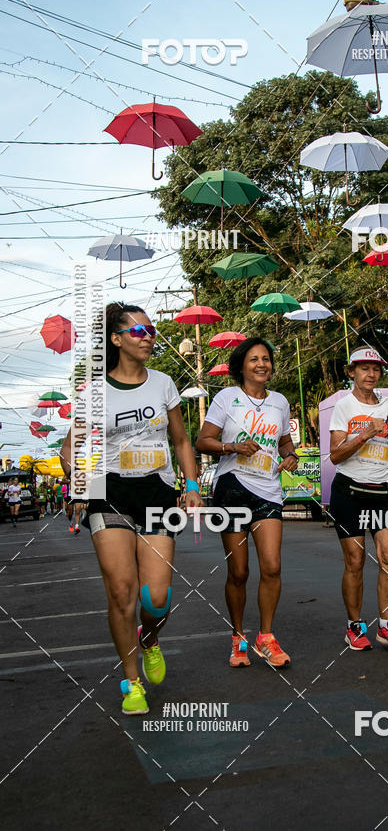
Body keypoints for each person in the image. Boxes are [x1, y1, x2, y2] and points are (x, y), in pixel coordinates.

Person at [60, 302, 201, 716]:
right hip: (109, 493)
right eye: (139, 331)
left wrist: (192, 485)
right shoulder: (94, 393)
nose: (148, 337)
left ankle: (150, 637)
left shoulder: (163, 383)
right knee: (121, 592)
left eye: (151, 330)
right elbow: (69, 450)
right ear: (117, 339)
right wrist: (79, 484)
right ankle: (131, 681)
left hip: (157, 493)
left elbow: (180, 440)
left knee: (157, 600)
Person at [196, 337, 298, 669]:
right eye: (254, 359)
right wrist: (232, 447)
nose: (261, 364)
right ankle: (238, 637)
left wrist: (291, 456)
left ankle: (265, 637)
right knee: (238, 571)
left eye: (266, 359)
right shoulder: (227, 398)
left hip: (268, 490)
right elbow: (203, 441)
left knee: (272, 566)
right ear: (241, 366)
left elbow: (285, 442)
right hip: (233, 489)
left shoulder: (280, 402)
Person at [328, 347, 388, 653]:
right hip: (349, 491)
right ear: (351, 372)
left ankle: (386, 626)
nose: (371, 374)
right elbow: (335, 455)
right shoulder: (343, 406)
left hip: (382, 492)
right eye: (364, 368)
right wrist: (363, 434)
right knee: (355, 561)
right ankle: (354, 626)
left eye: (376, 369)